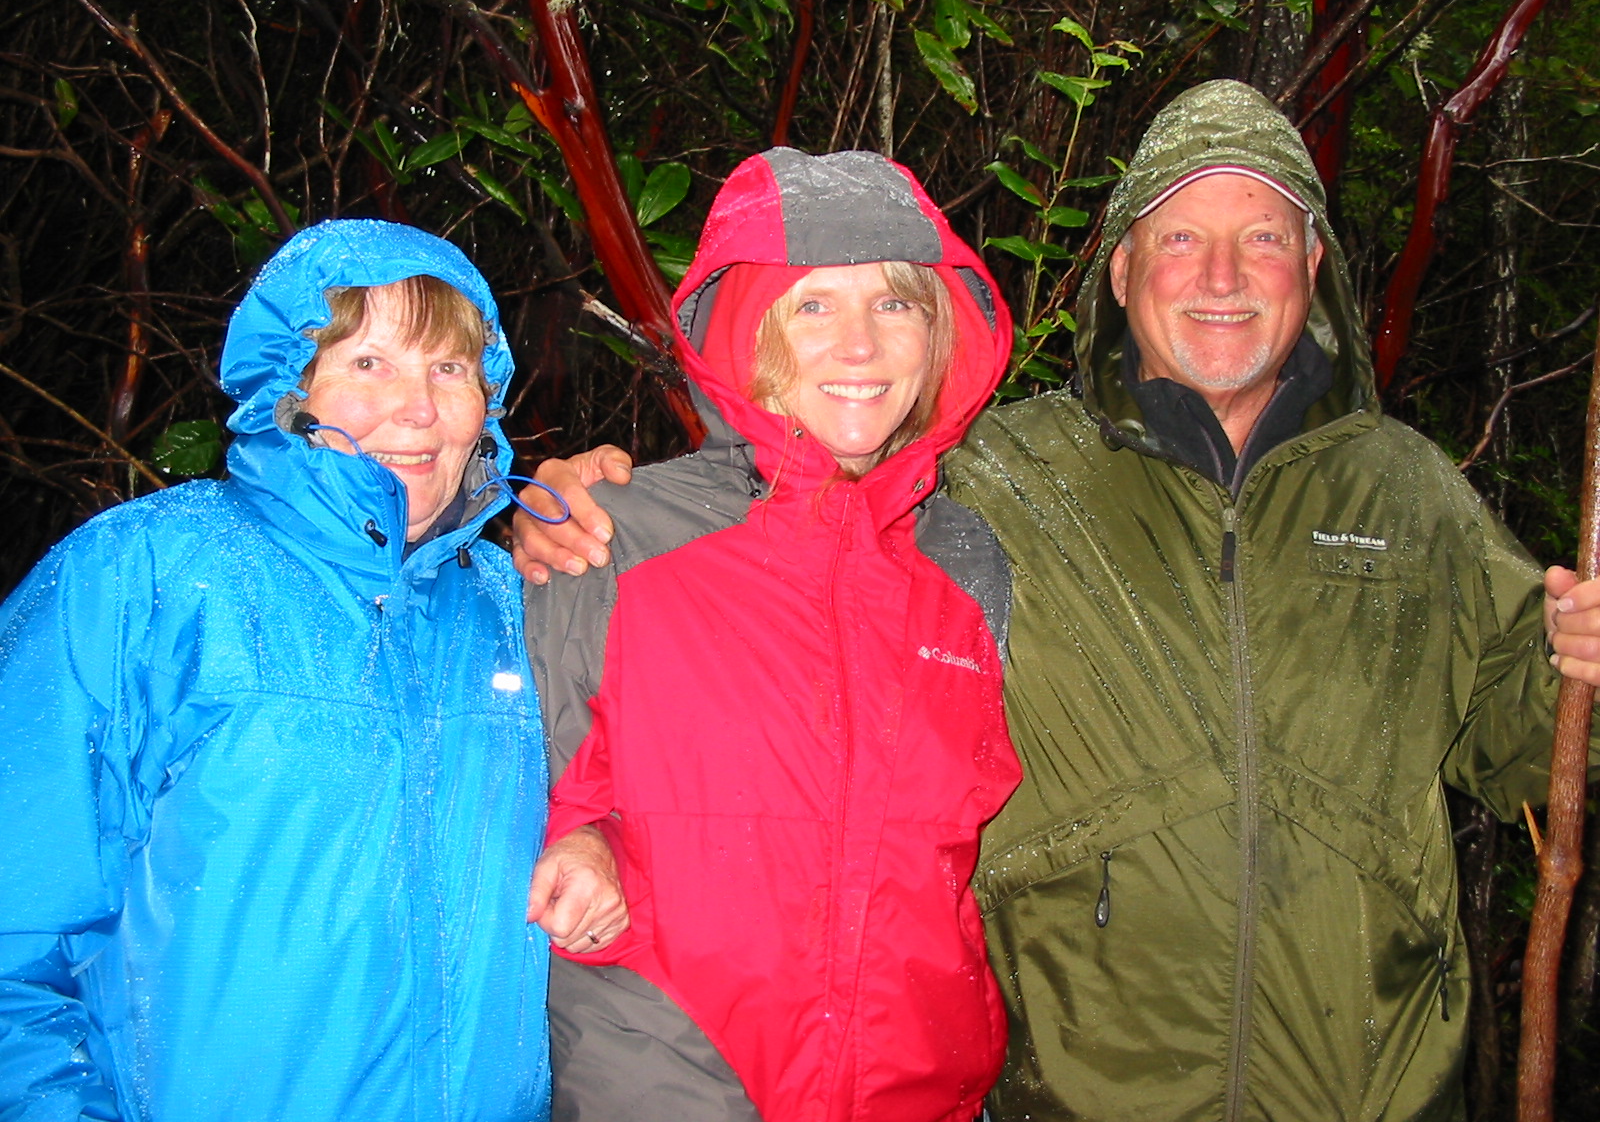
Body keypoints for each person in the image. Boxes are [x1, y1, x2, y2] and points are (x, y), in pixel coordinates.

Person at [513, 82, 1600, 1121]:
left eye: (1263, 237)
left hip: (1373, 1088)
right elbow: (819, 491)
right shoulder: (1001, 476)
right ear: (1121, 272)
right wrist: (583, 494)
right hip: (1077, 1090)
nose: (1220, 273)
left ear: (1313, 266)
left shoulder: (1409, 491)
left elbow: (1525, 748)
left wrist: (1573, 660)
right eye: (1178, 238)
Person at [0, 219, 620, 1122]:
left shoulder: (513, 606)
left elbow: (652, 794)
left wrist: (598, 841)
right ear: (288, 387)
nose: (417, 408)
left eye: (450, 369)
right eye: (369, 364)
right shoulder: (146, 576)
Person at [522, 147, 1021, 1122]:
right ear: (751, 332)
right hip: (668, 1076)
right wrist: (574, 842)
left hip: (916, 1088)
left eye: (895, 304)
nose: (861, 347)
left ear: (940, 335)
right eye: (813, 306)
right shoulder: (616, 534)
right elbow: (516, 775)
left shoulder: (967, 565)